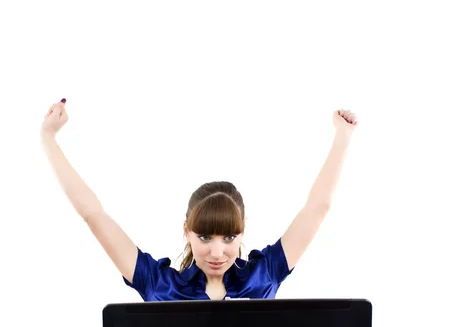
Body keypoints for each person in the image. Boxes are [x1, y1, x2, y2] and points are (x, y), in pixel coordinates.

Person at [41, 99, 358, 301]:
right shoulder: (159, 285)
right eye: (205, 236)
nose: (218, 251)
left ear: (241, 233)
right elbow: (93, 214)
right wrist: (48, 139)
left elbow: (318, 208)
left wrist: (342, 136)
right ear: (186, 232)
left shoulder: (264, 276)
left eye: (229, 237)